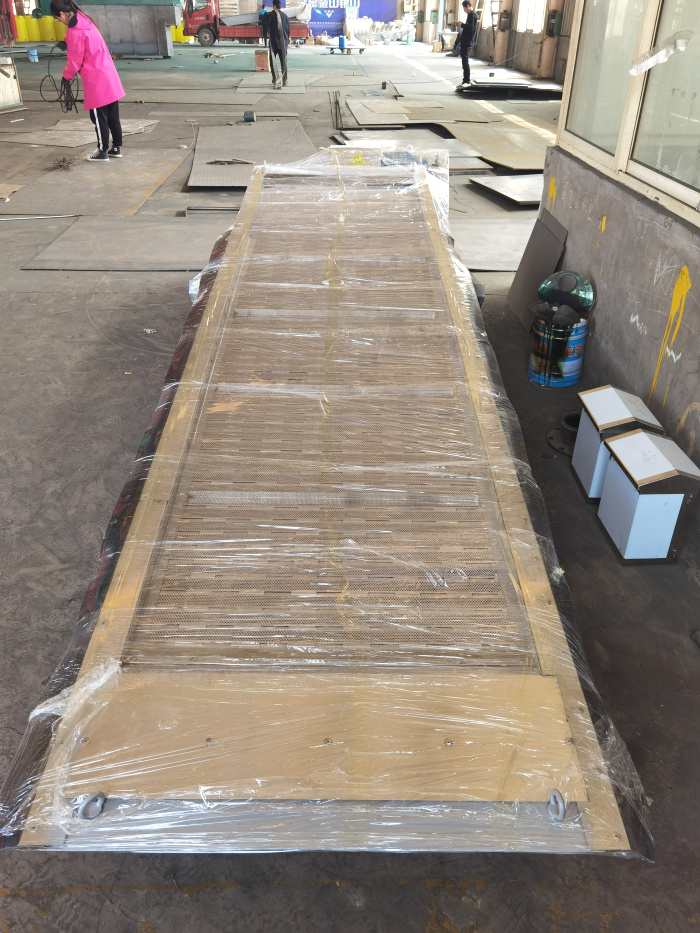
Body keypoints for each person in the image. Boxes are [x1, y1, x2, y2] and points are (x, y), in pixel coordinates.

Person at [51, 0, 125, 162]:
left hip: (96, 79)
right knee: (113, 116)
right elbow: (84, 41)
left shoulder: (75, 31)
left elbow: (75, 60)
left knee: (98, 118)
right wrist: (66, 41)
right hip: (109, 75)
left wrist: (66, 76)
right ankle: (116, 147)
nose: (60, 21)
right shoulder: (85, 20)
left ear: (62, 14)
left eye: (58, 18)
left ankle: (102, 151)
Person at [268, 0, 289, 90]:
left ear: (274, 6)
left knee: (272, 61)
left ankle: (275, 79)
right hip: (283, 43)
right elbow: (288, 30)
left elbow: (265, 24)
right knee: (284, 62)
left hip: (274, 43)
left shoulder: (271, 15)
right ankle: (285, 80)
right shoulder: (285, 16)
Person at [457, 0, 478, 89]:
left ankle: (466, 80)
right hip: (465, 40)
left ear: (468, 6)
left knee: (465, 60)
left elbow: (471, 28)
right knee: (464, 60)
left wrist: (461, 25)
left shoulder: (472, 15)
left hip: (467, 41)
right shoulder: (470, 15)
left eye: (464, 8)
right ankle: (465, 80)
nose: (464, 10)